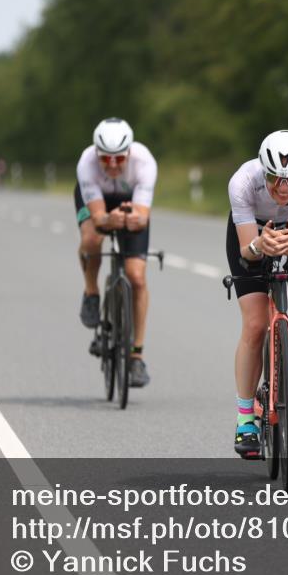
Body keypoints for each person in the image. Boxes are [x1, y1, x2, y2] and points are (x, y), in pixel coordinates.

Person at [226, 130, 288, 458]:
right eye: (274, 179)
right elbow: (245, 251)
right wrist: (258, 245)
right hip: (252, 233)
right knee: (255, 325)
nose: (283, 188)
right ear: (263, 171)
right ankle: (245, 419)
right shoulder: (242, 182)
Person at [75, 117, 158, 388]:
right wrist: (106, 220)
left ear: (129, 153)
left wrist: (133, 219)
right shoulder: (86, 163)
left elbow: (142, 216)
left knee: (137, 276)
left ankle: (137, 355)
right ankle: (91, 292)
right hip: (97, 200)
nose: (112, 165)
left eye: (119, 159)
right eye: (105, 158)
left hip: (130, 202)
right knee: (91, 238)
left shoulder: (145, 163)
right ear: (96, 153)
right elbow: (98, 217)